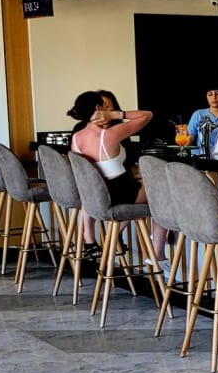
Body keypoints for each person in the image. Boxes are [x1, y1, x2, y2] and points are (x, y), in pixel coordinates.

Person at [67, 90, 167, 261]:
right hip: (119, 192)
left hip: (95, 195)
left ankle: (103, 237)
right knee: (162, 194)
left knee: (147, 183)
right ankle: (157, 254)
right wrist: (114, 114)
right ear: (98, 108)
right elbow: (147, 115)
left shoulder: (76, 138)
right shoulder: (109, 134)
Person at [187, 87, 218, 153]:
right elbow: (191, 136)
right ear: (207, 98)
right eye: (210, 94)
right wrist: (185, 142)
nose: (214, 97)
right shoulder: (198, 114)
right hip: (201, 155)